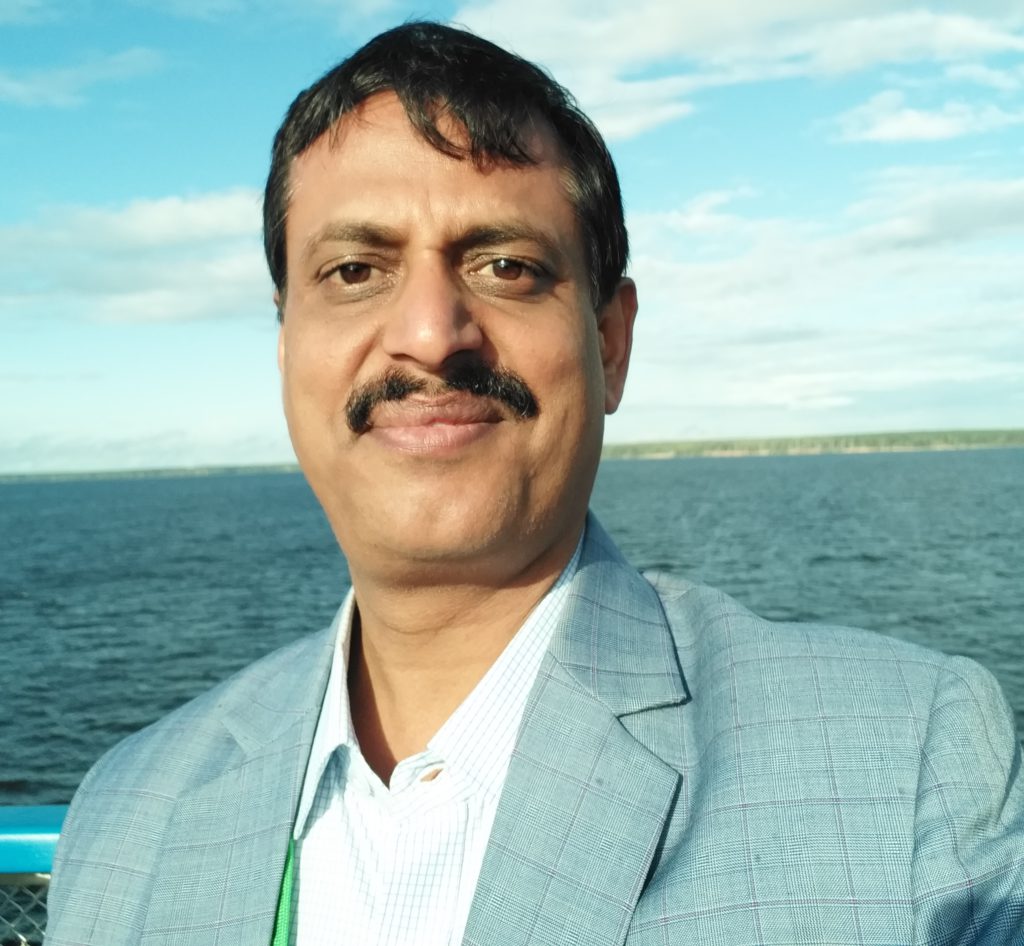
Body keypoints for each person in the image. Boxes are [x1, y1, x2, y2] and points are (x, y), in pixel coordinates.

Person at [45, 21, 1023, 946]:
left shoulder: (908, 767)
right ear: (285, 344)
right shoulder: (128, 813)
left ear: (610, 343)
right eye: (353, 271)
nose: (430, 334)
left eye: (506, 266)